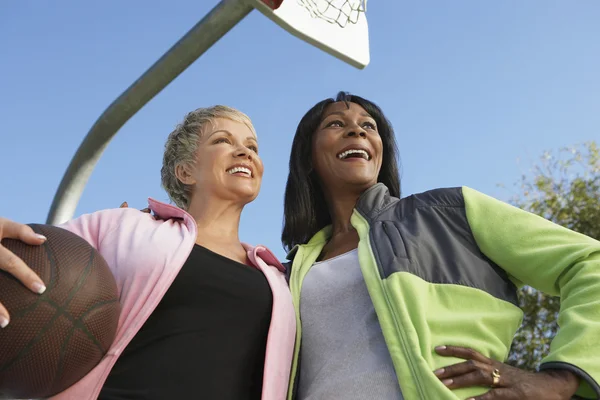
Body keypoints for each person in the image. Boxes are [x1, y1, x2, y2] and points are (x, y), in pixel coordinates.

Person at [281, 92, 600, 400]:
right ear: (308, 156)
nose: (356, 130)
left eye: (369, 126)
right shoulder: (289, 272)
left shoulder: (449, 212)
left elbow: (589, 261)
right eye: (336, 124)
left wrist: (563, 379)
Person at [0, 105, 296, 400]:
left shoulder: (278, 277)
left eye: (252, 146)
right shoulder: (123, 227)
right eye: (222, 140)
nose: (245, 152)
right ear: (185, 171)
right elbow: (23, 258)